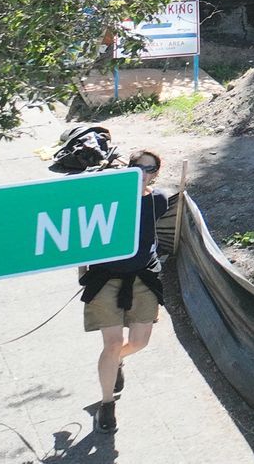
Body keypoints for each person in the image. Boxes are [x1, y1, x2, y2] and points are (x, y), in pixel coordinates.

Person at [79, 148, 171, 435]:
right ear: (128, 169)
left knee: (140, 341)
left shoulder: (158, 200)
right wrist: (82, 272)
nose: (144, 173)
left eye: (150, 168)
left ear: (156, 172)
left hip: (143, 277)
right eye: (138, 167)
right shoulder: (108, 198)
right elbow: (82, 232)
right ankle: (107, 405)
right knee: (112, 342)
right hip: (106, 279)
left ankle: (118, 359)